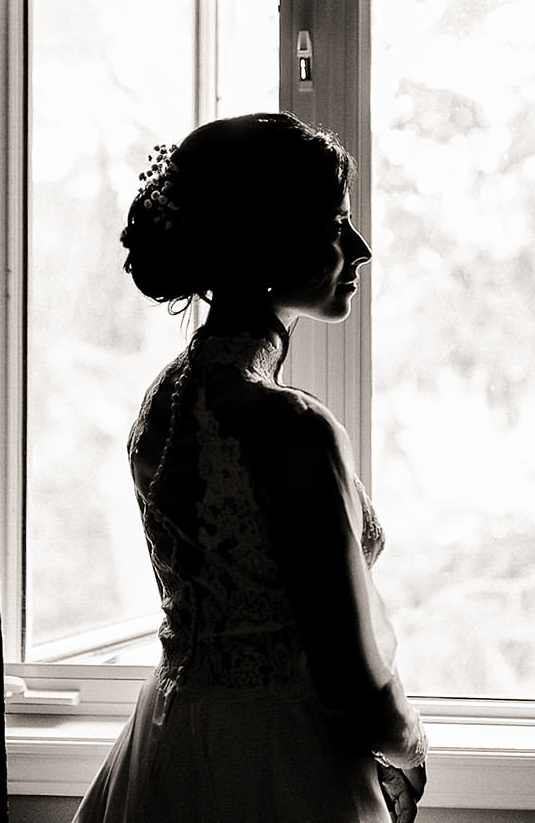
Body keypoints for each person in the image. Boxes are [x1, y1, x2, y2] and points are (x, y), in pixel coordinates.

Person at [73, 113, 427, 823]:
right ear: (269, 241)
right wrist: (408, 746)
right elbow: (350, 677)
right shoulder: (291, 428)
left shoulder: (161, 409)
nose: (359, 250)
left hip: (169, 746)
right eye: (335, 225)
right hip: (282, 760)